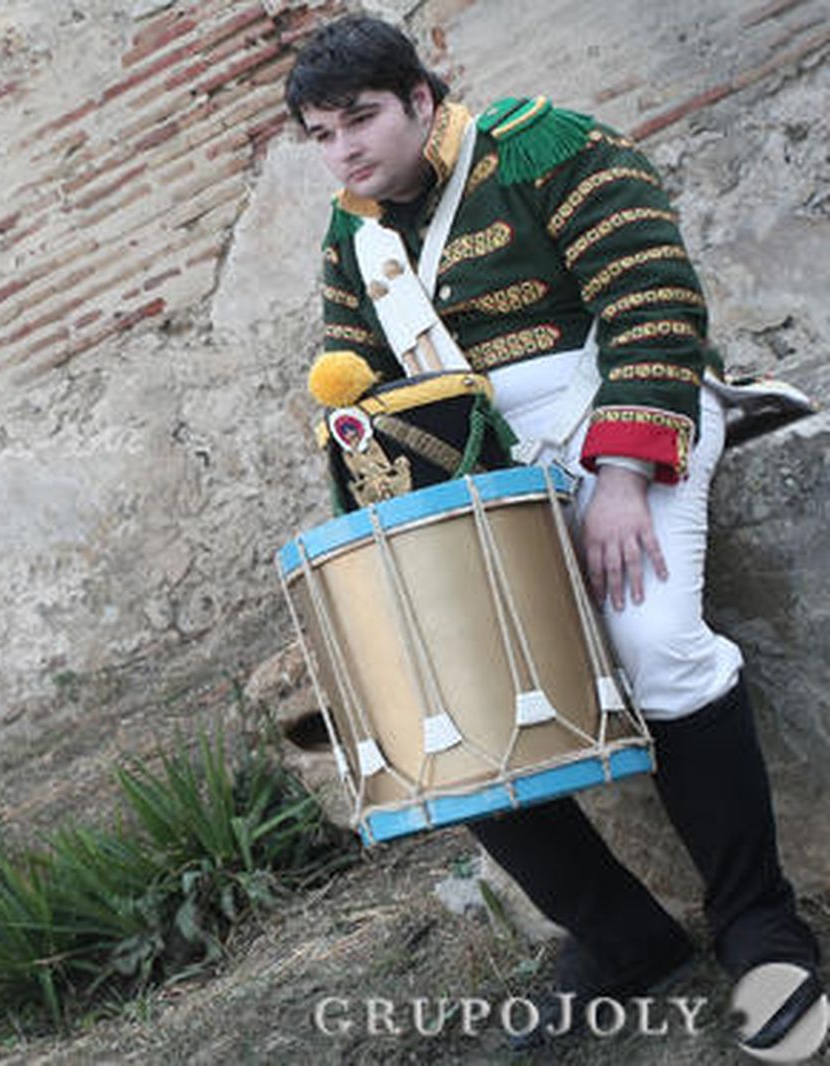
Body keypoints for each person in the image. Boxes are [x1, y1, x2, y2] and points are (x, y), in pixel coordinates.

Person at [284, 13, 822, 1047]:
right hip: (481, 477)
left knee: (656, 643)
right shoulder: (351, 235)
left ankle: (760, 919)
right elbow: (366, 401)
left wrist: (621, 473)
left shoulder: (549, 145)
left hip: (621, 415)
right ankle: (624, 937)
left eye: (360, 119)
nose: (344, 149)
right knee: (436, 708)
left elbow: (649, 296)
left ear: (422, 101)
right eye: (321, 133)